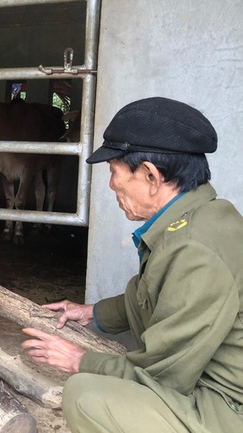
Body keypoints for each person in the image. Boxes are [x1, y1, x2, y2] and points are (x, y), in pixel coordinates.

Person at [21, 97, 243, 433]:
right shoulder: (203, 217)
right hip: (213, 386)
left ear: (151, 176)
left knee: (85, 395)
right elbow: (155, 293)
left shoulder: (194, 251)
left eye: (114, 172)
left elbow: (164, 374)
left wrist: (79, 360)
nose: (111, 185)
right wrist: (92, 313)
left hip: (226, 406)